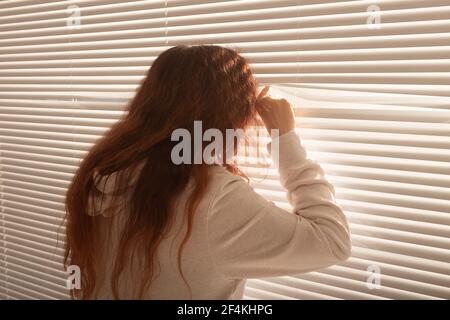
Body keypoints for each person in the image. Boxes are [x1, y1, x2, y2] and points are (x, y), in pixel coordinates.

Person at [64, 45, 351, 299]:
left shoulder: (105, 171)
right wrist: (285, 138)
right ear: (230, 115)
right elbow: (332, 241)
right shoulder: (213, 200)